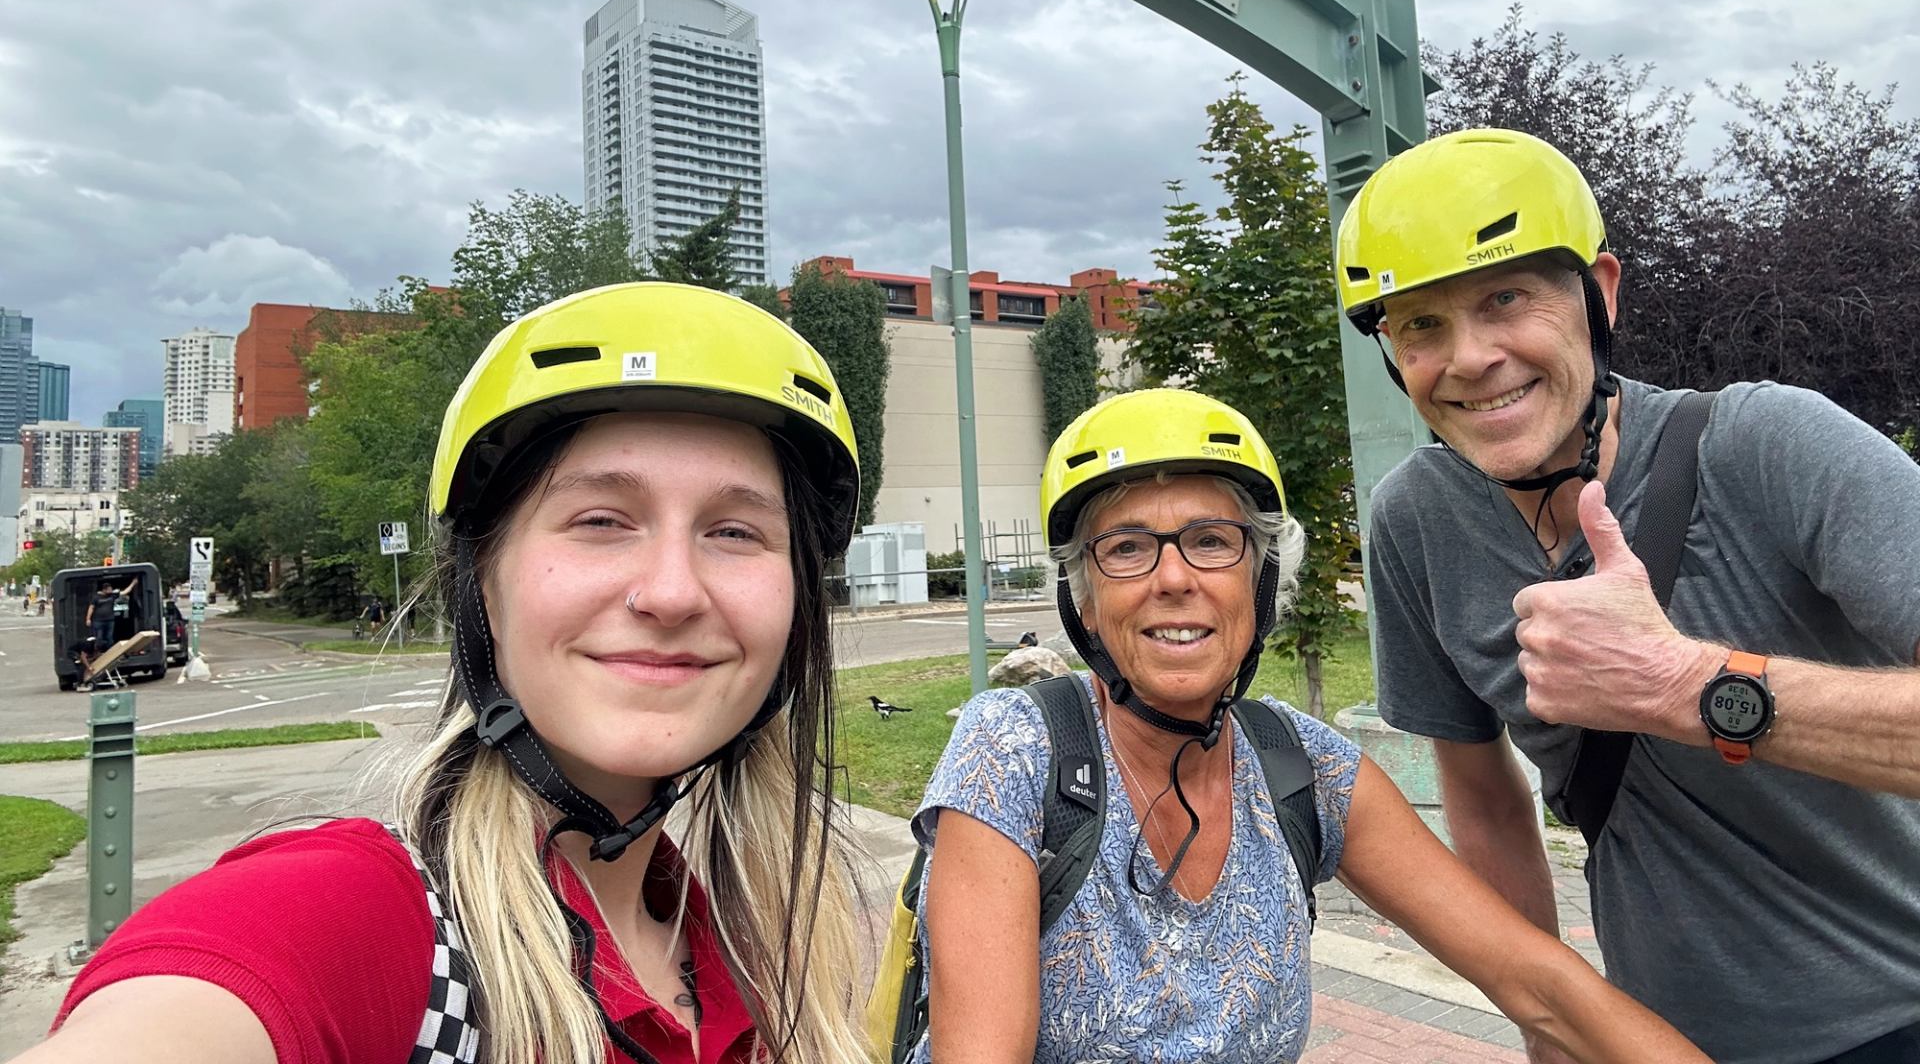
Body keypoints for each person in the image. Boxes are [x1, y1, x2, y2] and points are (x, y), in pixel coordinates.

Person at [21, 282, 873, 1064]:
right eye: (603, 519)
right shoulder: (355, 924)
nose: (673, 592)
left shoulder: (759, 944)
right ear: (484, 587)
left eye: (734, 532)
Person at [1335, 128, 1920, 1064]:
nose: (1471, 357)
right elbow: (1481, 796)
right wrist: (1552, 1026)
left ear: (1599, 294)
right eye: (1420, 326)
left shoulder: (1771, 446)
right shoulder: (1415, 520)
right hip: (1653, 1036)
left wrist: (1685, 685)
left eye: (1507, 298)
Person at [910, 388, 1710, 1064]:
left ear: (1260, 583)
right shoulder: (1017, 749)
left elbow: (1537, 981)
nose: (1175, 579)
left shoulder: (1298, 766)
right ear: (1082, 599)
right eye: (1125, 549)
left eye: (1211, 542)